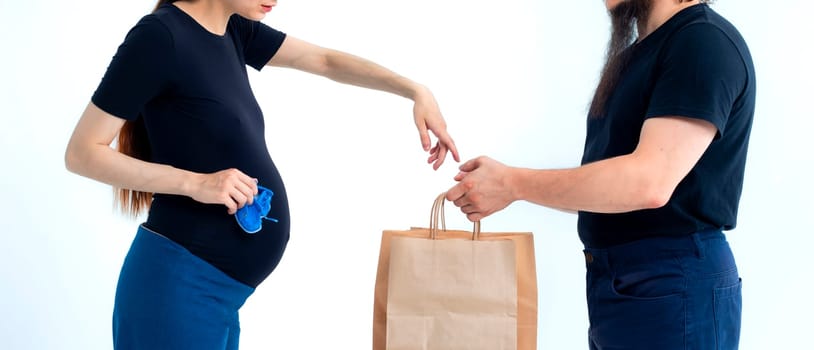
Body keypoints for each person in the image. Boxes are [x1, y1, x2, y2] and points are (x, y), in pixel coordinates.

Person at [64, 0, 459, 348]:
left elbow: (324, 61)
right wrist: (195, 183)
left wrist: (415, 90)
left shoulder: (234, 29)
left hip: (219, 296)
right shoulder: (159, 37)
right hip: (177, 289)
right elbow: (82, 153)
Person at [446, 0, 754, 349]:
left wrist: (513, 183)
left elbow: (648, 182)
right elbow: (611, 189)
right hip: (626, 287)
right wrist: (510, 187)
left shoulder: (702, 42)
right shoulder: (638, 57)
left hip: (672, 283)